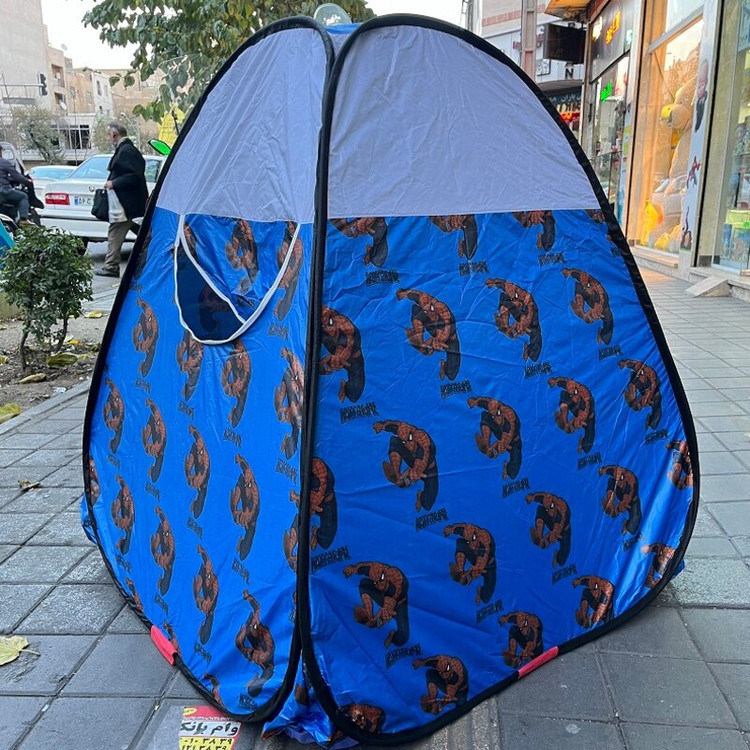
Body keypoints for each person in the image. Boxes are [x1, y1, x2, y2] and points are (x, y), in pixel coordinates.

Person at [97, 122, 148, 277]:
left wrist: (114, 183)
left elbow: (134, 176)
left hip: (126, 204)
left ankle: (111, 266)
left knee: (116, 232)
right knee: (146, 235)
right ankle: (158, 259)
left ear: (114, 135)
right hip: (131, 204)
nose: (108, 139)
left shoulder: (126, 151)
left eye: (109, 135)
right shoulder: (128, 150)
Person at [0, 154, 34, 225]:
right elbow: (17, 176)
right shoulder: (3, 162)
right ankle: (23, 219)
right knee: (23, 196)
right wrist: (28, 182)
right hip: (2, 191)